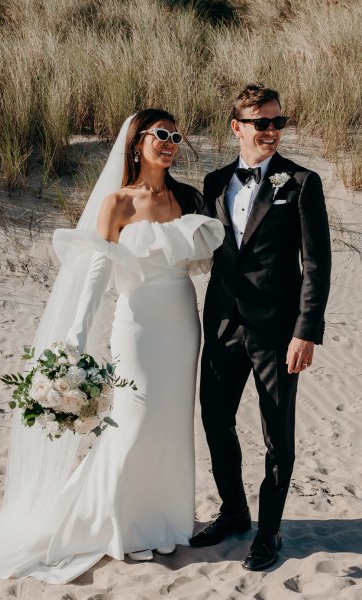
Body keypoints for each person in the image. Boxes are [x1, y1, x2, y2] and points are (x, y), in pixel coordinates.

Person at [0, 109, 224, 583]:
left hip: (183, 323)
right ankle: (114, 524)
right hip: (138, 325)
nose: (169, 143)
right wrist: (75, 336)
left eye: (176, 137)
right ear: (137, 142)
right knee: (134, 421)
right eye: (160, 134)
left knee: (169, 422)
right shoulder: (117, 203)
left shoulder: (187, 197)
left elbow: (204, 260)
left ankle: (164, 523)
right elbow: (98, 271)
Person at [189, 84, 331, 571]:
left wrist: (306, 331)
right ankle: (234, 512)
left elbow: (317, 265)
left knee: (278, 436)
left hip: (278, 332)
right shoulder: (213, 182)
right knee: (214, 419)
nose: (272, 131)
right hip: (224, 323)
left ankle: (268, 533)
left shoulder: (302, 183)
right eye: (262, 123)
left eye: (278, 122)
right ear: (237, 127)